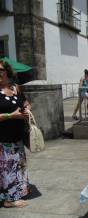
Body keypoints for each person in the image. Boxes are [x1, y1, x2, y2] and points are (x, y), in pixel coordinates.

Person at [0, 60, 31, 208]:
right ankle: (9, 200)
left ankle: (18, 192)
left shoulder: (15, 88)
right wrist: (11, 115)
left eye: (0, 70)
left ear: (7, 71)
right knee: (8, 168)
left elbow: (25, 102)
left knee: (19, 166)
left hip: (18, 136)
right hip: (3, 139)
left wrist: (27, 108)